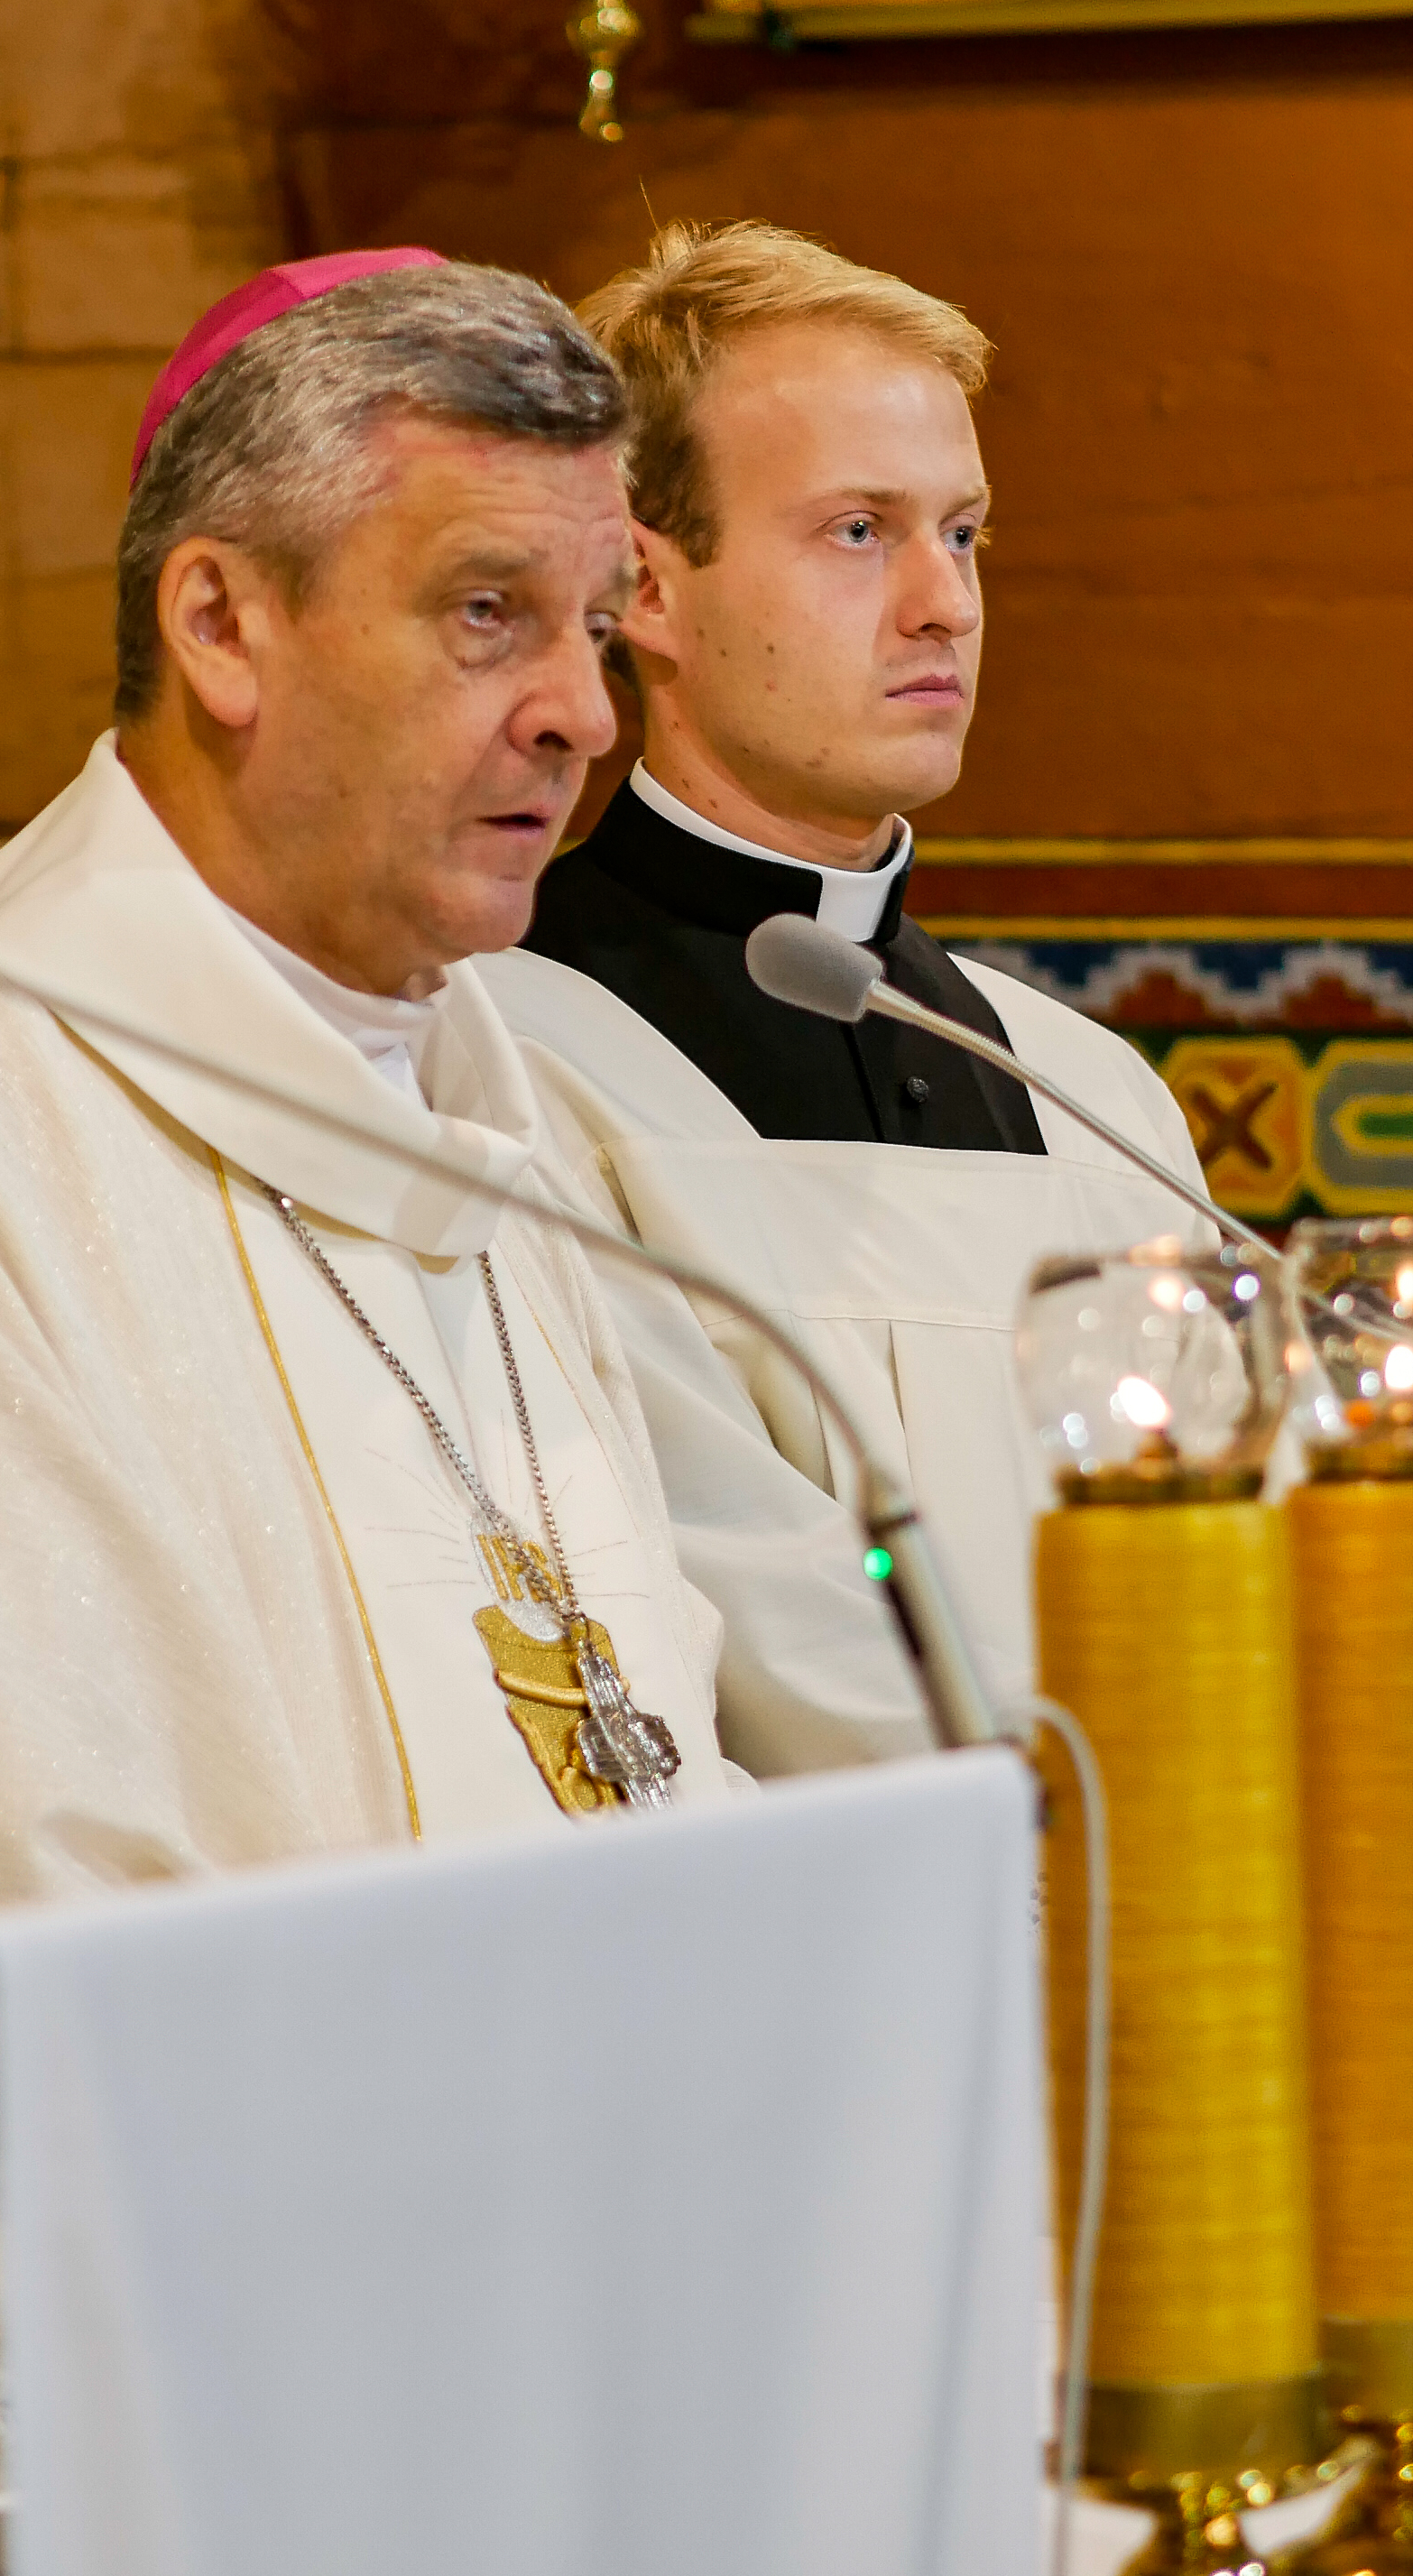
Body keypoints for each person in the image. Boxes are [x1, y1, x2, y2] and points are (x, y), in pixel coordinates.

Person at [0, 248, 931, 2576]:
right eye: (484, 619)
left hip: (565, 2464)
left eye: (591, 628)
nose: (576, 716)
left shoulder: (487, 1118)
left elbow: (601, 1752)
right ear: (222, 623)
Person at [490, 222, 1198, 1727]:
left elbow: (1227, 1578)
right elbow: (741, 1635)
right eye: (857, 531)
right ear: (645, 589)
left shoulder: (1086, 1092)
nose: (943, 602)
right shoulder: (511, 1057)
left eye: (962, 531)